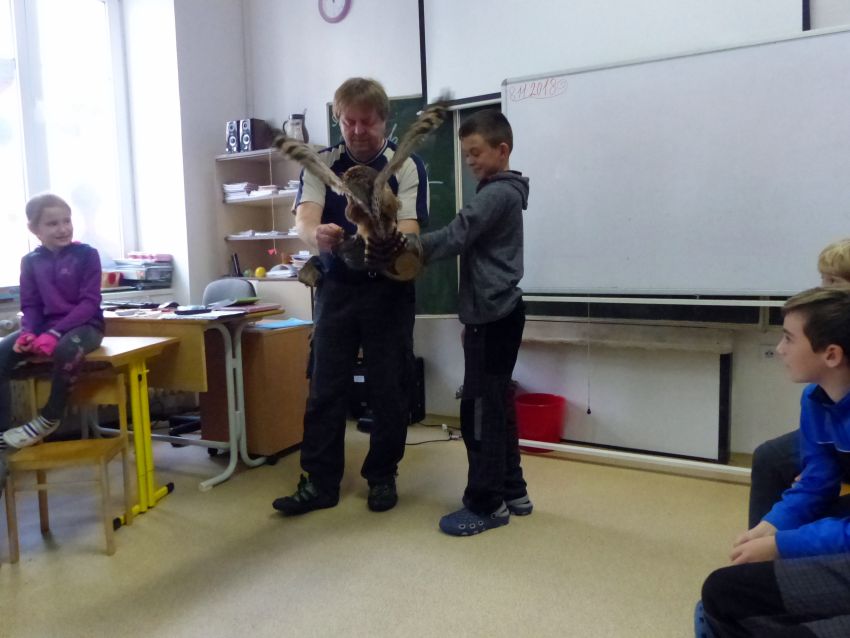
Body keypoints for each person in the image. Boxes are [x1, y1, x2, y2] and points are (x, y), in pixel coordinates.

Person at [272, 78, 428, 516]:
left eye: (367, 122)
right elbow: (304, 220)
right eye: (348, 121)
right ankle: (319, 482)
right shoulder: (321, 163)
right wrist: (316, 235)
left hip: (388, 290)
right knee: (325, 388)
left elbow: (411, 228)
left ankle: (382, 475)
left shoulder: (407, 165)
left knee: (389, 387)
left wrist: (385, 236)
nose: (357, 130)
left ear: (385, 121)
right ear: (338, 120)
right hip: (336, 288)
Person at [697, 286, 850, 637]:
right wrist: (773, 526)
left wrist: (783, 546)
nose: (779, 349)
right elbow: (817, 480)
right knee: (722, 594)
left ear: (831, 355)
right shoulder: (815, 398)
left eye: (789, 339)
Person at [417, 109, 531, 536]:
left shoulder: (496, 194)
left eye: (476, 152)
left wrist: (406, 247)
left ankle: (487, 504)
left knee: (479, 412)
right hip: (496, 315)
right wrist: (474, 318)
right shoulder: (502, 191)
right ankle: (513, 491)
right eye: (465, 154)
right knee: (497, 405)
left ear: (502, 150)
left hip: (494, 318)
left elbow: (456, 234)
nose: (469, 161)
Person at [748, 238, 850, 528]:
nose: (824, 289)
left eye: (834, 282)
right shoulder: (814, 395)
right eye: (823, 280)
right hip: (838, 423)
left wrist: (784, 543)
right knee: (772, 457)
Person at [0, 193, 104, 451]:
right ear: (34, 229)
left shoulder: (87, 255)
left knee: (66, 349)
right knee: (2, 352)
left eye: (67, 221)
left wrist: (56, 333)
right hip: (46, 328)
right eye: (53, 223)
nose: (63, 229)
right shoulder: (30, 262)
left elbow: (89, 303)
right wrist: (28, 332)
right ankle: (1, 433)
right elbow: (31, 305)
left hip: (86, 326)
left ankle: (50, 417)